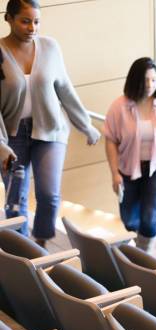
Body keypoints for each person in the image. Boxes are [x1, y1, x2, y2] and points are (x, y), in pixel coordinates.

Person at [0, 0, 100, 247]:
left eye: (36, 21)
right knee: (16, 200)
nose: (32, 27)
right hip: (10, 137)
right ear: (9, 19)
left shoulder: (50, 47)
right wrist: (1, 146)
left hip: (50, 131)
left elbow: (65, 90)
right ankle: (23, 251)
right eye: (25, 21)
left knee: (49, 196)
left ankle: (41, 243)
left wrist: (85, 126)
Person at [103, 57, 156, 251]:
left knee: (150, 217)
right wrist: (114, 173)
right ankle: (137, 248)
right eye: (145, 80)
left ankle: (144, 256)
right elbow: (110, 140)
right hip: (128, 166)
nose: (150, 85)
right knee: (129, 219)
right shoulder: (119, 106)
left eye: (154, 80)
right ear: (134, 80)